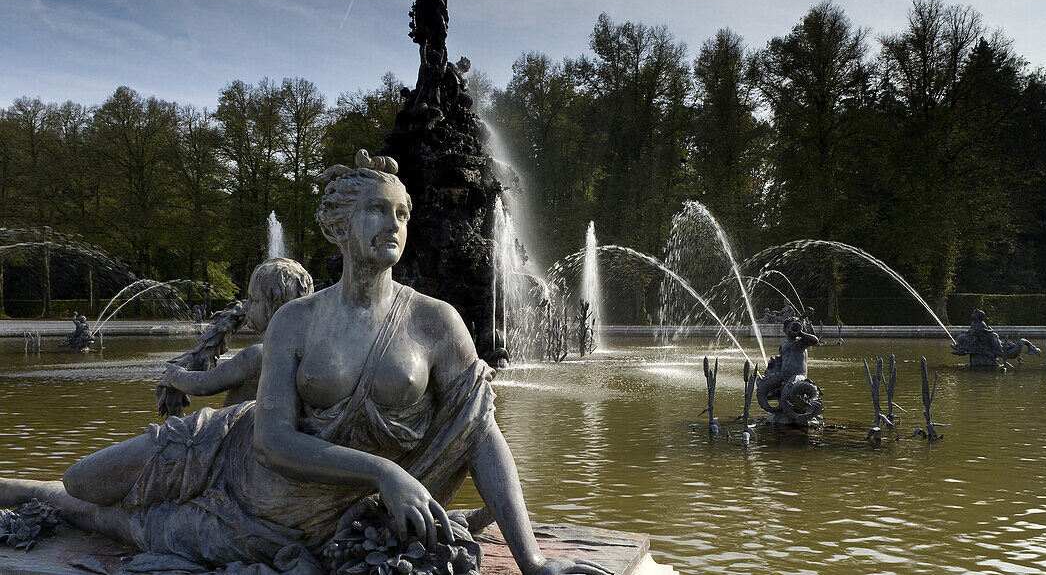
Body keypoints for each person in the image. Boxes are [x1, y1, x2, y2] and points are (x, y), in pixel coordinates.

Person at [0, 150, 608, 575]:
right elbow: (270, 440)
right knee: (85, 481)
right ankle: (31, 490)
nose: (393, 224)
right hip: (232, 457)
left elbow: (481, 435)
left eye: (401, 213)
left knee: (137, 526)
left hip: (297, 520)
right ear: (340, 226)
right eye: (376, 210)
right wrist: (383, 472)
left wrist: (531, 560)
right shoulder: (299, 320)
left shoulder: (436, 323)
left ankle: (26, 491)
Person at [160, 257, 313, 408]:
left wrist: (174, 375)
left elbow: (205, 384)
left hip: (239, 428)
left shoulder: (259, 354)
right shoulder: (308, 350)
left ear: (278, 308)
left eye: (254, 300)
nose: (245, 306)